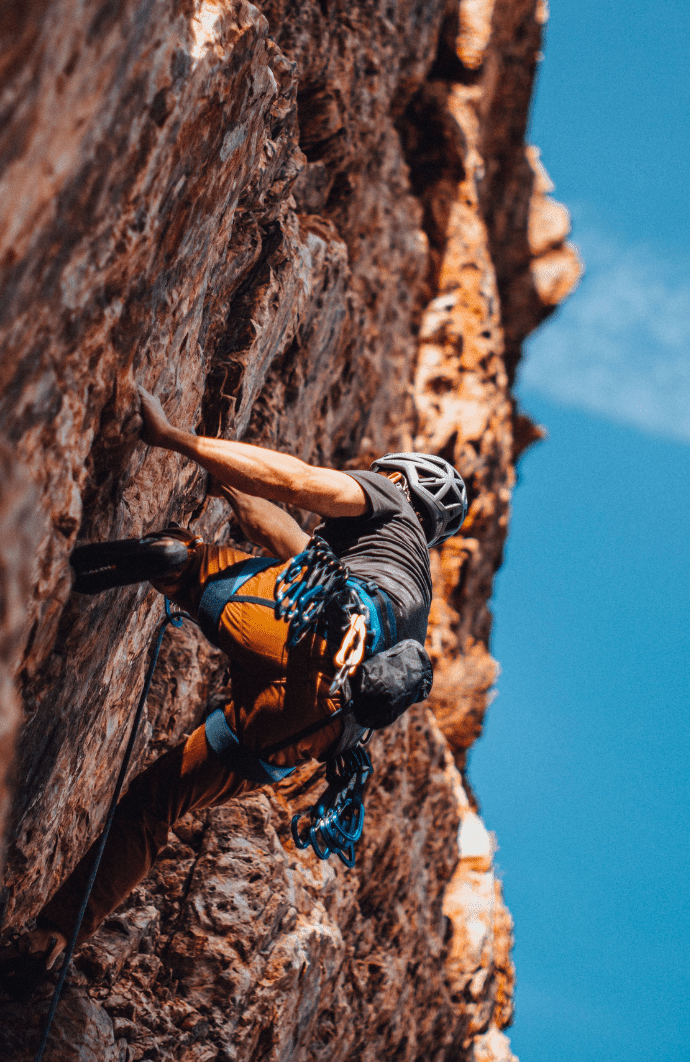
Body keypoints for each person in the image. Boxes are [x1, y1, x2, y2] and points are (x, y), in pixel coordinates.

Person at [24, 386, 467, 966]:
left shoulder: (390, 504)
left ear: (403, 483)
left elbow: (298, 481)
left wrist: (175, 440)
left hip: (308, 631)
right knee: (158, 803)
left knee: (187, 561)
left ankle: (151, 562)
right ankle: (54, 939)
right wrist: (229, 485)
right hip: (312, 726)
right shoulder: (408, 593)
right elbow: (287, 542)